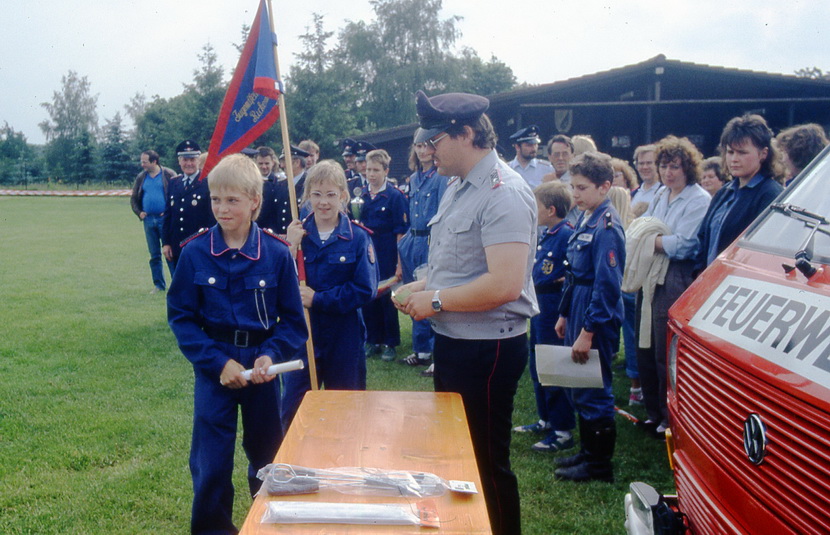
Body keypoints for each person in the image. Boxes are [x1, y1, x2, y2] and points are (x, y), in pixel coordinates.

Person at [396, 90, 538, 535]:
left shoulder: (504, 193)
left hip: (488, 348)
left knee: (486, 461)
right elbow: (459, 267)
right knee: (458, 457)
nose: (427, 150)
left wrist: (434, 300)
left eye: (434, 140)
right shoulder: (459, 186)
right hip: (458, 343)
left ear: (467, 134)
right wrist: (420, 288)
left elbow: (504, 284)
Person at [167, 153, 307, 535]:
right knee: (210, 462)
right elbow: (181, 317)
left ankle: (271, 526)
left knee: (267, 458)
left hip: (262, 369)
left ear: (254, 203)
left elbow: (294, 324)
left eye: (232, 200)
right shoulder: (195, 253)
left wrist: (270, 354)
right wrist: (216, 363)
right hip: (216, 367)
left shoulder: (276, 254)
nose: (222, 208)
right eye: (216, 199)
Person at [281, 160, 378, 427]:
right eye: (316, 194)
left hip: (343, 334)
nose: (323, 202)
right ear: (307, 196)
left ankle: (344, 465)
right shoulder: (297, 235)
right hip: (303, 333)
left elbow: (364, 289)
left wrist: (319, 299)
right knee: (293, 409)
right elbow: (276, 283)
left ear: (343, 196)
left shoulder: (357, 238)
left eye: (331, 194)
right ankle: (295, 466)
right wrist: (289, 248)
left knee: (346, 407)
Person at [553, 151, 625, 484]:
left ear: (604, 186)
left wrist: (588, 331)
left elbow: (607, 286)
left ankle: (599, 465)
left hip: (597, 312)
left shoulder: (607, 226)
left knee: (595, 387)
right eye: (573, 187)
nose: (576, 194)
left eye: (582, 188)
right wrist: (565, 313)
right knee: (580, 385)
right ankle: (587, 452)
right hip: (579, 303)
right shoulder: (586, 217)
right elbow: (573, 273)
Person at [636, 136, 710, 439]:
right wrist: (650, 239)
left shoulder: (698, 199)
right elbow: (644, 226)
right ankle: (654, 413)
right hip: (650, 273)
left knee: (666, 349)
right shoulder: (661, 194)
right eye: (664, 166)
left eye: (675, 167)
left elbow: (685, 244)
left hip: (675, 277)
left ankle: (671, 418)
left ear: (687, 167)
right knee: (646, 345)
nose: (668, 173)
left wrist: (650, 241)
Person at [513, 181, 576, 453]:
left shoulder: (566, 235)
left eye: (536, 206)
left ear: (551, 209)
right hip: (540, 303)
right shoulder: (547, 233)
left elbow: (573, 272)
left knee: (552, 365)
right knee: (537, 364)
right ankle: (546, 418)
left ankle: (562, 430)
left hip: (553, 303)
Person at [695, 114, 784, 272]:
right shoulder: (725, 192)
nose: (734, 159)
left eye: (742, 153)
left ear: (763, 153)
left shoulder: (771, 194)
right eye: (730, 152)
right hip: (709, 282)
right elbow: (703, 239)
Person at [399, 138, 448, 368]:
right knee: (412, 294)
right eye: (417, 146)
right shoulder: (415, 178)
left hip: (430, 239)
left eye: (426, 146)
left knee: (430, 293)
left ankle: (437, 353)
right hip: (413, 240)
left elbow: (442, 213)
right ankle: (421, 351)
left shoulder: (440, 178)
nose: (422, 151)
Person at [359, 149, 409, 362]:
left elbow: (400, 231)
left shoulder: (394, 196)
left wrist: (400, 262)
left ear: (386, 171)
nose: (371, 174)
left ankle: (390, 343)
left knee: (387, 299)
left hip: (387, 252)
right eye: (369, 169)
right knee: (369, 296)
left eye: (376, 170)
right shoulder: (360, 195)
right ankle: (372, 340)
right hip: (366, 254)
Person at [162, 139, 216, 271]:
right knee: (179, 285)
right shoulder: (174, 183)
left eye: (192, 159)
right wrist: (166, 243)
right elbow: (168, 216)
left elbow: (212, 218)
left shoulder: (208, 183)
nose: (189, 163)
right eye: (185, 160)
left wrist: (210, 244)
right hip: (177, 245)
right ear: (179, 161)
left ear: (198, 161)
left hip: (200, 245)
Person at [130, 150, 177, 293]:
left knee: (170, 253)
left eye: (145, 161)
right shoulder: (141, 177)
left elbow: (179, 194)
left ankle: (177, 284)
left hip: (165, 220)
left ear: (154, 161)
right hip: (149, 220)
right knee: (154, 254)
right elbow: (133, 198)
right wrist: (140, 213)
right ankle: (159, 285)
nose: (142, 164)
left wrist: (169, 212)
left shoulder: (169, 174)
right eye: (141, 161)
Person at [254, 146, 292, 235]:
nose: (264, 166)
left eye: (267, 163)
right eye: (260, 163)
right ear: (255, 163)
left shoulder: (280, 182)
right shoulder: (250, 182)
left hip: (272, 230)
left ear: (273, 163)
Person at [630, 144, 663, 217]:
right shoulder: (632, 195)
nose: (645, 167)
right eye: (641, 163)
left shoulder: (665, 193)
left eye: (649, 163)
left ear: (658, 165)